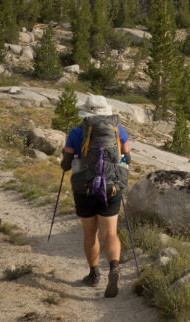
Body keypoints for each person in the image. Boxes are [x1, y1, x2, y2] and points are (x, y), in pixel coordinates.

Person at [61, 94, 130, 298]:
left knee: (90, 233)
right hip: (112, 187)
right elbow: (128, 156)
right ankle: (115, 268)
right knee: (110, 233)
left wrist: (67, 162)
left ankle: (93, 274)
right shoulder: (118, 129)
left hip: (85, 188)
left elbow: (66, 163)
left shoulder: (76, 131)